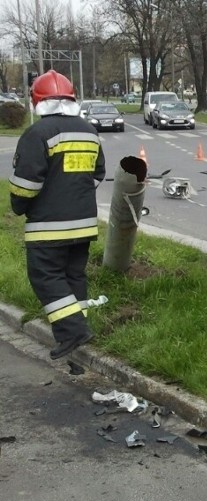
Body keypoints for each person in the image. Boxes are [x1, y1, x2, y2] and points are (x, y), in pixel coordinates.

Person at [8, 70, 106, 360]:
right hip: (84, 224)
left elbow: (26, 184)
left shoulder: (37, 133)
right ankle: (75, 332)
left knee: (45, 276)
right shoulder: (89, 130)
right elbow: (96, 174)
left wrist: (19, 206)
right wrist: (74, 195)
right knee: (73, 275)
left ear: (37, 102)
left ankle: (74, 331)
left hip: (48, 227)